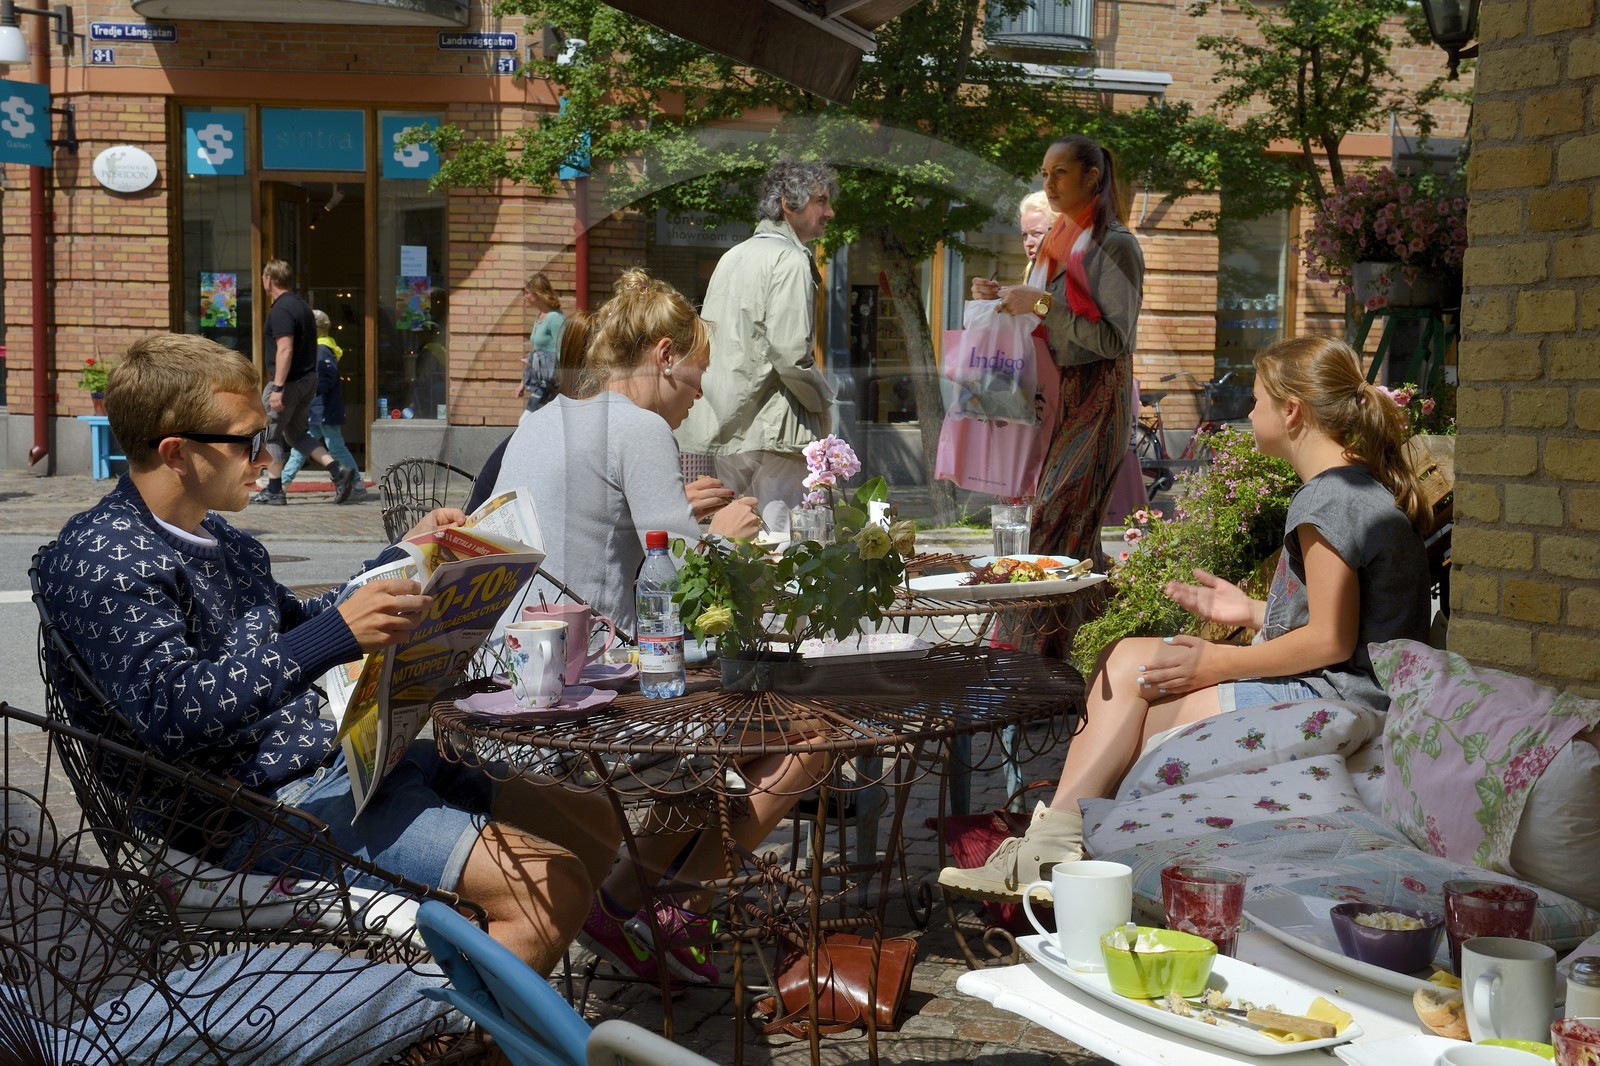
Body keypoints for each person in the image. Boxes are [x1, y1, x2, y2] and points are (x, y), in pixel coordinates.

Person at [38, 333, 618, 976]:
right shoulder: (102, 561)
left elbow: (297, 622)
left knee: (588, 818)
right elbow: (173, 710)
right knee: (550, 886)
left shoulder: (218, 538)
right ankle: (455, 1035)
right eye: (250, 441)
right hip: (241, 817)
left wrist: (407, 558)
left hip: (326, 769)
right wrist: (338, 635)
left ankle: (602, 955)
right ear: (177, 451)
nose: (267, 455)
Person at [939, 335, 1432, 900]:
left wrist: (1222, 661)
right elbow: (1353, 623)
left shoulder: (1327, 500)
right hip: (1349, 690)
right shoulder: (1355, 490)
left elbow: (1330, 640)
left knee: (1137, 685)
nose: (1249, 413)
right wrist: (1248, 611)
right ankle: (1060, 852)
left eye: (1257, 400)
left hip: (1339, 701)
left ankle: (1054, 853)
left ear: (1292, 410)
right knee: (1134, 677)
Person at [490, 269, 822, 988]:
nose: (698, 397)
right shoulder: (638, 427)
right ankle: (662, 904)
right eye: (695, 378)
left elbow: (608, 539)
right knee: (810, 737)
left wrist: (685, 517)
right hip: (595, 687)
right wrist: (731, 532)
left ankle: (636, 903)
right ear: (664, 354)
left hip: (517, 670)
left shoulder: (541, 417)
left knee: (717, 756)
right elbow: (688, 585)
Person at [675, 160, 839, 532]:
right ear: (788, 204)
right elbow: (791, 355)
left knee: (738, 538)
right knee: (781, 538)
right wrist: (824, 401)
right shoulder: (790, 259)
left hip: (729, 423)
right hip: (774, 428)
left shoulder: (733, 256)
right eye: (820, 201)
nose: (829, 212)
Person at [251, 259, 358, 506]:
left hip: (288, 382)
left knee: (271, 435)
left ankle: (275, 490)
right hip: (307, 380)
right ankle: (338, 471)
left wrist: (278, 387)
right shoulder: (302, 307)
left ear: (269, 279)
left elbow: (285, 349)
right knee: (297, 434)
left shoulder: (281, 309)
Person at [281, 309, 366, 501]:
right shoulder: (321, 348)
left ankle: (357, 483)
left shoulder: (322, 349)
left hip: (322, 408)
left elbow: (323, 381)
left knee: (331, 446)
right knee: (302, 447)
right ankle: (283, 484)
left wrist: (305, 390)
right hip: (317, 408)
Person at [516, 272, 566, 416]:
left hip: (552, 385)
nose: (525, 296)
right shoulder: (539, 317)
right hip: (540, 383)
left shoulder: (555, 319)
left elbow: (563, 351)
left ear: (537, 293)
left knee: (526, 422)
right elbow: (537, 353)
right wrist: (523, 383)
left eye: (527, 293)